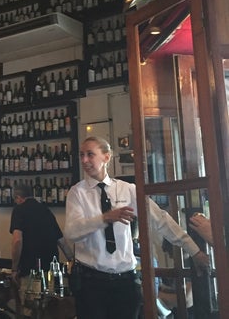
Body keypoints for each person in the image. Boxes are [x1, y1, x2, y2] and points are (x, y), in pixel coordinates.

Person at [64, 136, 210, 319]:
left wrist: (194, 251)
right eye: (81, 155)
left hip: (126, 282)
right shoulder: (77, 192)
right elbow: (71, 232)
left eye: (90, 154)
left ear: (106, 157)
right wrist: (105, 218)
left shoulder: (128, 190)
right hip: (91, 283)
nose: (84, 160)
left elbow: (161, 221)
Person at [9, 182, 72, 306]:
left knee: (30, 308)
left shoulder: (19, 210)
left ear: (18, 197)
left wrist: (14, 269)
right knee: (48, 309)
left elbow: (17, 240)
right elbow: (61, 240)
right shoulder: (46, 210)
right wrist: (72, 260)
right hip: (50, 270)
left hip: (30, 270)